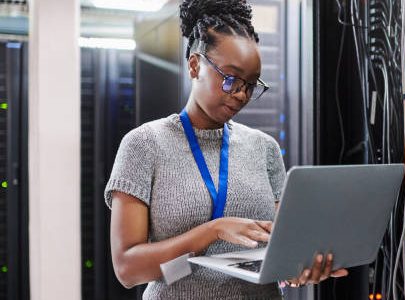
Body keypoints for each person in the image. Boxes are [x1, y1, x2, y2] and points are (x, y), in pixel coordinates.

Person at [104, 0, 348, 299]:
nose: (242, 94)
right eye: (231, 79)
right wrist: (213, 231)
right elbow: (128, 270)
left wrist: (301, 267)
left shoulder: (264, 149)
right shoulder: (144, 145)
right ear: (195, 65)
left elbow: (280, 251)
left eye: (251, 84)